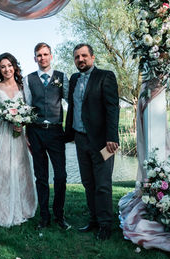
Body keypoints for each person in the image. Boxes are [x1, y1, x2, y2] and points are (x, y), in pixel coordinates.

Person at [64, 44, 119, 240]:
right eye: (77, 57)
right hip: (80, 139)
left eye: (84, 56)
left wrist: (112, 137)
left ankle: (105, 225)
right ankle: (94, 219)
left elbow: (113, 108)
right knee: (88, 182)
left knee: (103, 184)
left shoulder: (106, 76)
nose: (81, 59)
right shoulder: (74, 79)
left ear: (93, 57)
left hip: (103, 142)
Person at [0, 53, 37, 227]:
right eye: (3, 67)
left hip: (18, 135)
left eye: (9, 65)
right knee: (1, 169)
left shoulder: (22, 87)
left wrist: (21, 121)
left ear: (14, 66)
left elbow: (28, 110)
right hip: (3, 133)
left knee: (19, 169)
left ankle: (22, 207)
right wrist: (3, 116)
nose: (7, 69)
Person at [24, 42, 70, 230]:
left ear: (51, 56)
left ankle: (59, 215)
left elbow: (70, 100)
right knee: (41, 176)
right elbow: (26, 107)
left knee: (61, 175)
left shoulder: (61, 77)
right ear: (35, 58)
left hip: (56, 131)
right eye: (39, 55)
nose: (42, 58)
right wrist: (27, 133)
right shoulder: (28, 79)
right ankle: (44, 217)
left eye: (45, 54)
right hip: (35, 132)